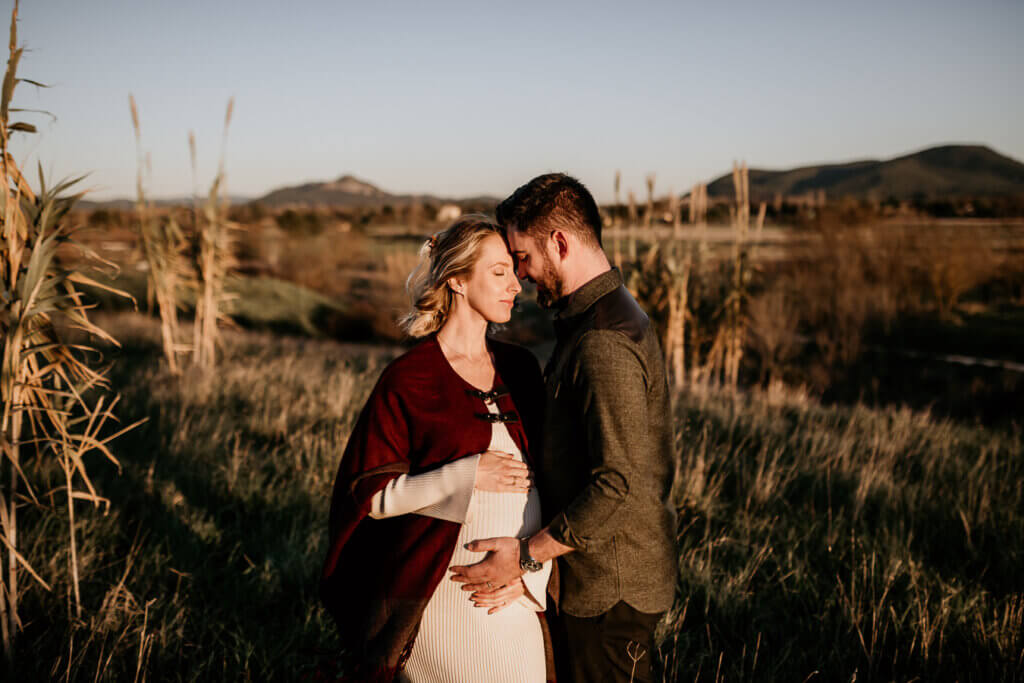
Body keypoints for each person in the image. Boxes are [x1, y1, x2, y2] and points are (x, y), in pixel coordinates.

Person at [449, 174, 678, 682]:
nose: (522, 276)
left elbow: (616, 486)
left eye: (524, 257)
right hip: (609, 579)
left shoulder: (602, 341)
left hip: (607, 590)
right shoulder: (609, 312)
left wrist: (525, 557)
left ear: (559, 243)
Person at [320, 216, 555, 682]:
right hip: (444, 596)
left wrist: (530, 572)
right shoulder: (410, 378)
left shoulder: (522, 369)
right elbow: (372, 498)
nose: (516, 285)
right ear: (456, 280)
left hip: (518, 593)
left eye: (514, 271)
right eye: (498, 272)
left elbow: (555, 481)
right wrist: (466, 473)